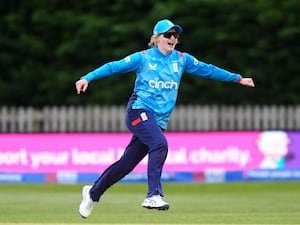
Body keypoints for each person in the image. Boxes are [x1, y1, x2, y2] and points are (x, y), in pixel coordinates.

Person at [75, 19, 255, 219]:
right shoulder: (142, 58)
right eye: (167, 35)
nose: (172, 38)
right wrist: (87, 78)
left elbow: (209, 69)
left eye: (175, 35)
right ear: (156, 38)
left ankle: (92, 193)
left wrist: (237, 78)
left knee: (126, 164)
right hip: (138, 111)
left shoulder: (182, 59)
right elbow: (113, 67)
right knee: (160, 145)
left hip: (158, 121)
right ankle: (153, 195)